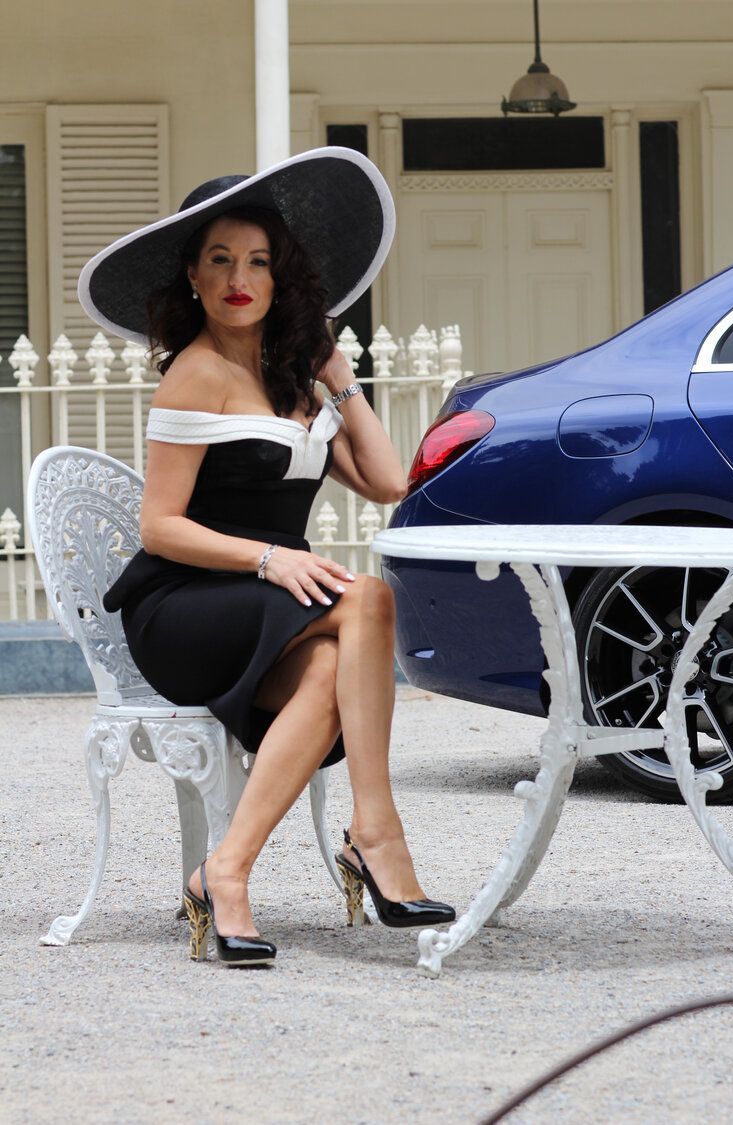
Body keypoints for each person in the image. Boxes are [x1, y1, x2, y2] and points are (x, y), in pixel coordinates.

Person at [79, 148, 455, 967]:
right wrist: (268, 561)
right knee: (370, 599)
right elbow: (159, 527)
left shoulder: (294, 382)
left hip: (269, 607)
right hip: (186, 603)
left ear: (281, 278)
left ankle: (227, 870)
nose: (238, 278)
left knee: (333, 665)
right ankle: (377, 830)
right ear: (193, 277)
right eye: (219, 261)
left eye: (257, 262)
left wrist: (338, 375)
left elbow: (388, 480)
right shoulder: (195, 374)